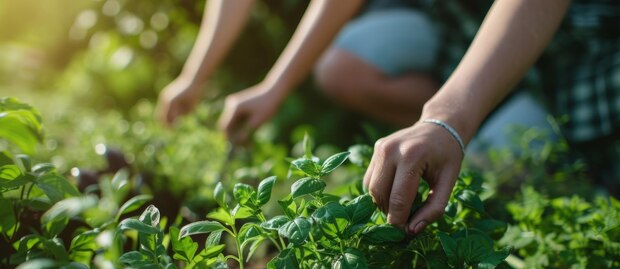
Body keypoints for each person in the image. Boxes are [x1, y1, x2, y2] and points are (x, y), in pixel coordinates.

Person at [363, 0, 620, 235]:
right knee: (486, 179)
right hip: (520, 41)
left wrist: (444, 121)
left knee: (488, 185)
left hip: (599, 49)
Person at [156, 0, 441, 144]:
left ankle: (459, 121)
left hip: (443, 13)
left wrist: (275, 86)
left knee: (340, 70)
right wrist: (193, 79)